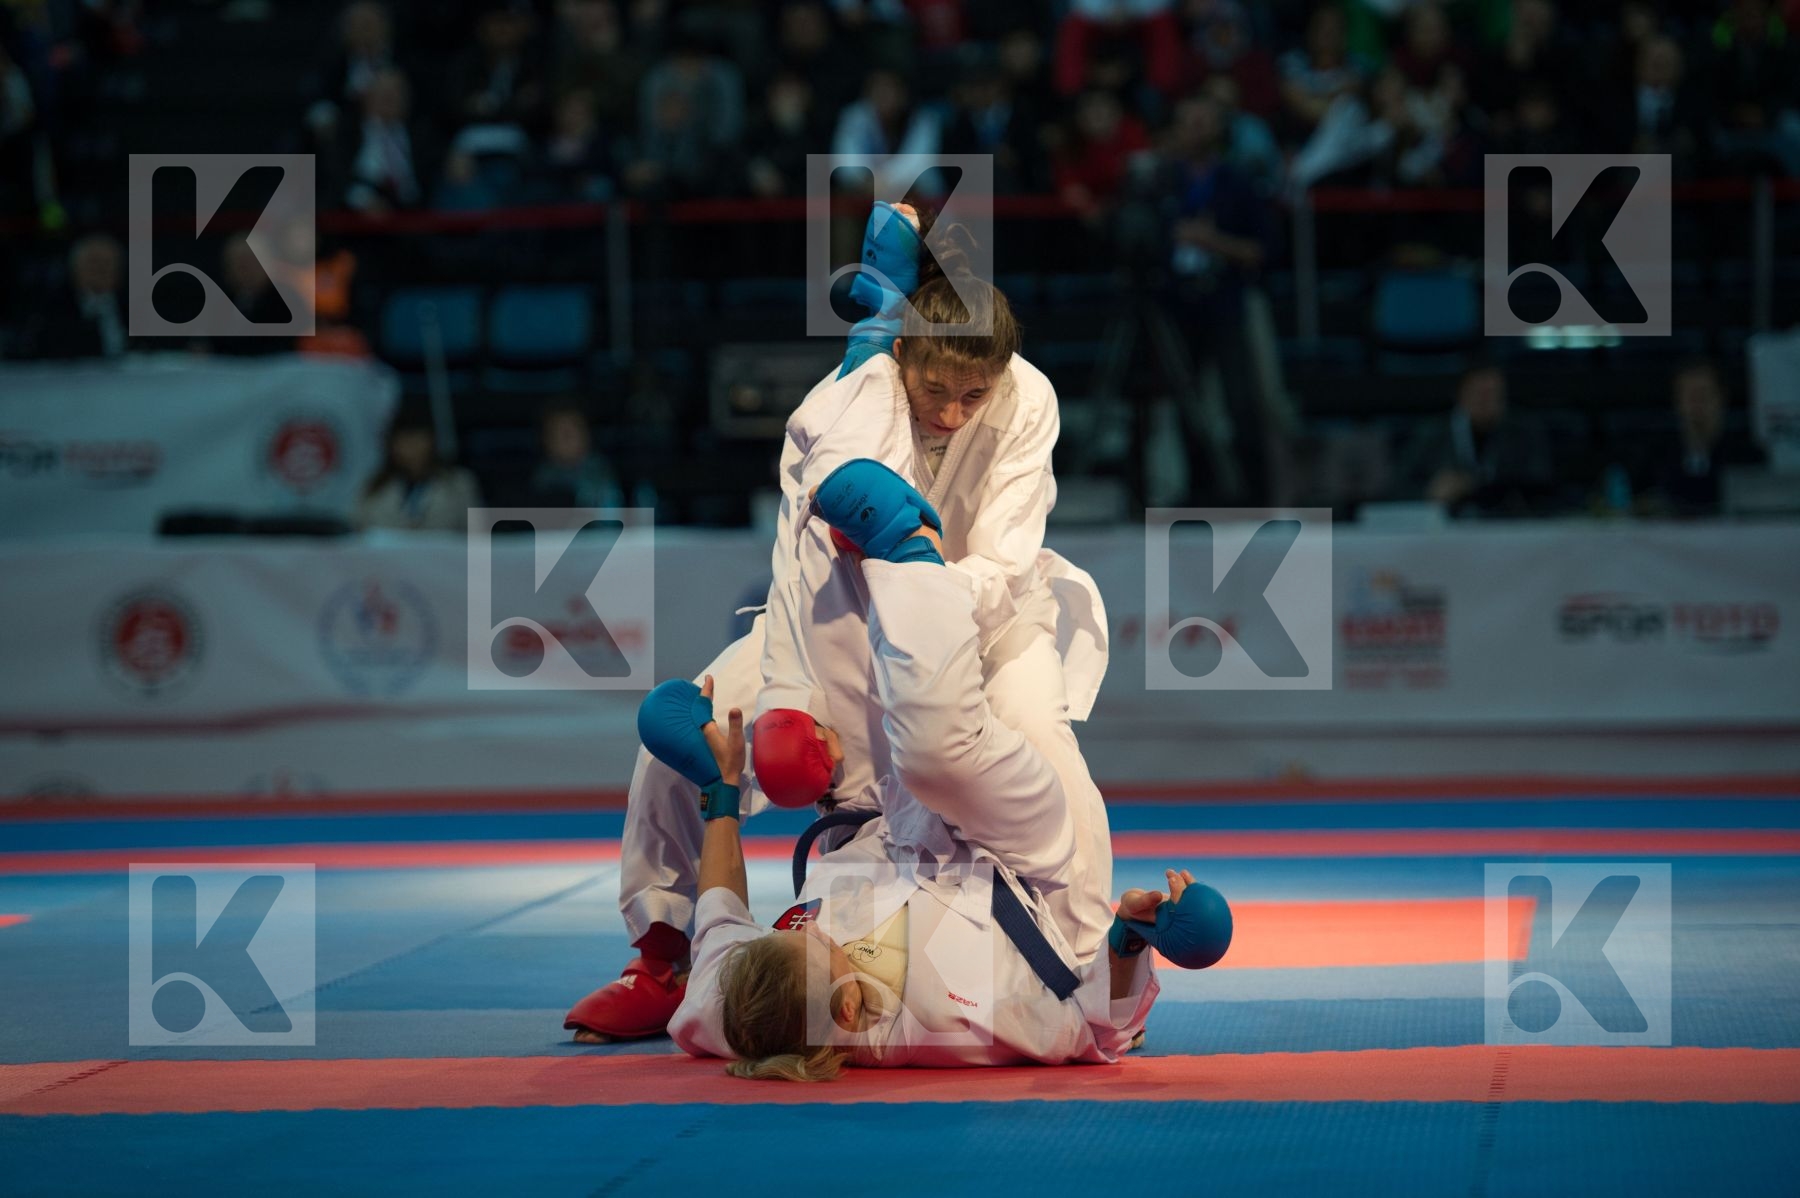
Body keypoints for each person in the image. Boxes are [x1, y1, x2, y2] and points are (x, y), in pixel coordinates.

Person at [563, 205, 1110, 1044]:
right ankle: (662, 954)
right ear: (902, 353)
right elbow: (799, 558)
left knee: (1048, 752)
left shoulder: (1028, 397)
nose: (954, 413)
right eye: (936, 391)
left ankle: (1091, 967)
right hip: (833, 619)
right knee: (684, 744)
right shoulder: (853, 394)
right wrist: (790, 694)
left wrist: (919, 589)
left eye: (974, 394)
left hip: (989, 626)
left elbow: (1003, 563)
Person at [649, 462, 1229, 1075]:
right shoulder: (961, 1020)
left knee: (850, 710)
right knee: (939, 753)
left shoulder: (737, 1008)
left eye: (789, 931)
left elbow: (719, 919)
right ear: (849, 1008)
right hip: (1014, 847)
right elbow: (1094, 1028)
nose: (806, 928)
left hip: (882, 818)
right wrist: (1132, 936)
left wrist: (719, 789)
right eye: (810, 944)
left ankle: (876, 558)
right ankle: (913, 553)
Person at [1398, 363, 1553, 517]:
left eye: (1494, 395)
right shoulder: (1434, 433)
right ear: (1460, 396)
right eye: (1479, 395)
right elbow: (1397, 487)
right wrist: (1429, 491)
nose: (1487, 402)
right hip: (1446, 521)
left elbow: (1541, 486)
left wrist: (1500, 491)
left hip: (1506, 521)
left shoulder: (1522, 431)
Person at [1642, 359, 1766, 517]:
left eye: (1704, 395)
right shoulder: (1656, 457)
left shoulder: (1748, 456)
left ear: (1721, 398)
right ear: (1677, 401)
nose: (1697, 405)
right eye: (1690, 396)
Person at [356, 415, 481, 532]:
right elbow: (359, 530)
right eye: (403, 441)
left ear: (432, 442)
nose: (411, 448)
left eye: (418, 439)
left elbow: (478, 534)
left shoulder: (460, 482)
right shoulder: (375, 487)